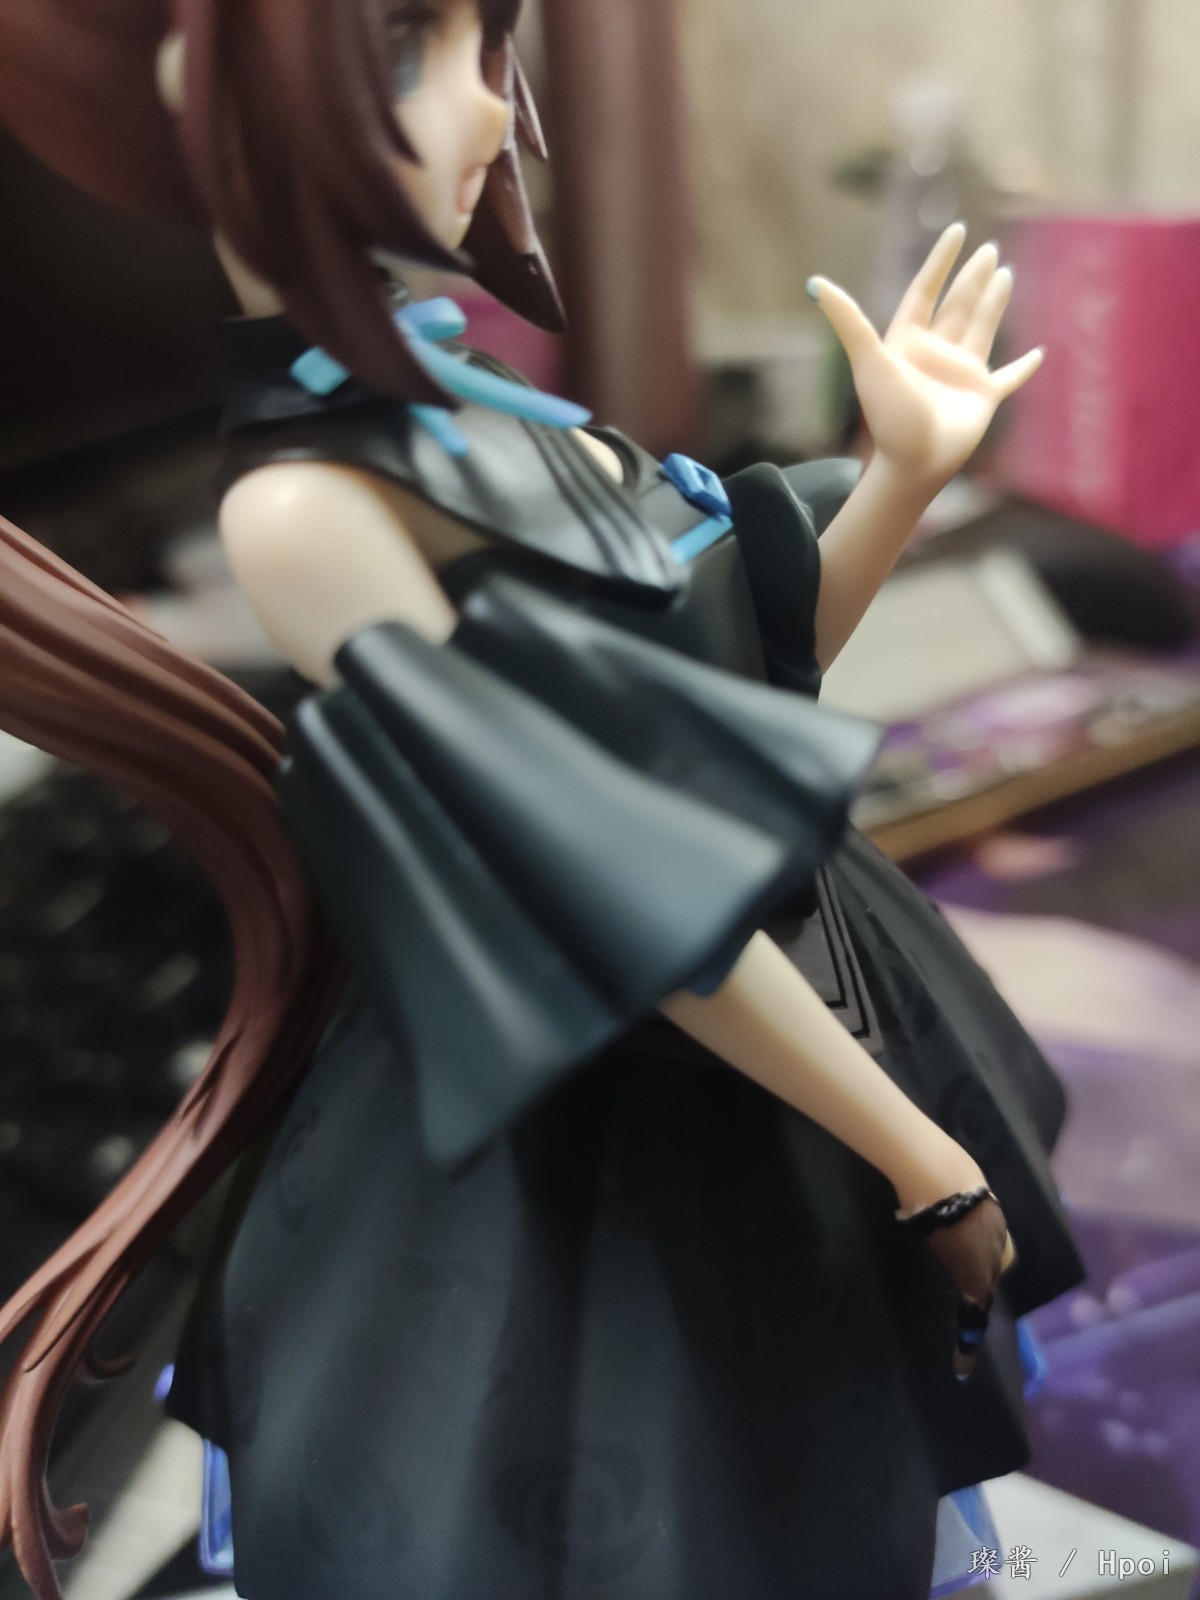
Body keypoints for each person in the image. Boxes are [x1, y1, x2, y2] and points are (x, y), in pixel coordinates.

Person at [0, 3, 1082, 1596]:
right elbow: (600, 886)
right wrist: (914, 1156)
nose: (491, 114)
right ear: (217, 103)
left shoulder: (472, 400)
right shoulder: (307, 508)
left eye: (484, 52)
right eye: (413, 57)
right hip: (623, 1114)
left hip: (768, 1037)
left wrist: (902, 474)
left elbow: (741, 684)